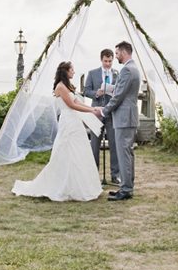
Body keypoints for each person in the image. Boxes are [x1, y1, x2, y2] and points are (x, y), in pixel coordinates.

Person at [14, 61, 103, 202]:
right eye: (72, 69)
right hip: (68, 122)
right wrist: (92, 110)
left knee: (79, 152)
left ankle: (80, 185)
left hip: (75, 122)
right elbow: (71, 105)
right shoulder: (60, 87)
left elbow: (78, 102)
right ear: (66, 71)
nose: (74, 72)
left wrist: (93, 109)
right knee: (66, 152)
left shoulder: (67, 86)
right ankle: (63, 185)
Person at [95, 42, 141, 201]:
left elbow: (119, 96)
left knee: (124, 154)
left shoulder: (127, 70)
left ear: (124, 52)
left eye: (117, 53)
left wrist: (103, 111)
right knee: (127, 153)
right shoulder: (133, 68)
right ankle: (127, 186)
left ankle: (126, 189)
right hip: (128, 117)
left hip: (124, 118)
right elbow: (122, 91)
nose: (116, 56)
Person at [82, 48, 119, 183]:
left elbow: (120, 91)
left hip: (112, 113)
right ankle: (94, 175)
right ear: (101, 59)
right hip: (96, 113)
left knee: (114, 144)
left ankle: (115, 176)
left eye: (110, 61)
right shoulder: (92, 73)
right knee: (94, 145)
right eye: (105, 61)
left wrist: (114, 92)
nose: (108, 64)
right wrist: (96, 93)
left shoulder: (117, 74)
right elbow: (86, 91)